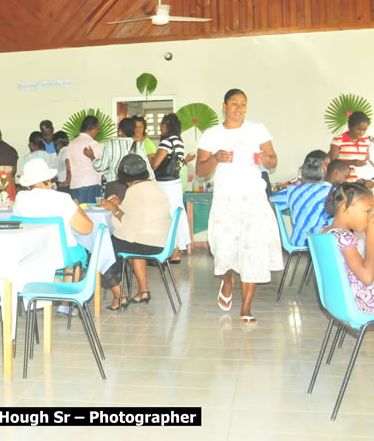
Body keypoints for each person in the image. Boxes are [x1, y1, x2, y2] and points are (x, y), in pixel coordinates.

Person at [196, 89, 283, 325]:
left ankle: (246, 307)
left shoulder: (257, 129)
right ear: (224, 106)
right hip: (225, 198)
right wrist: (216, 158)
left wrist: (267, 160)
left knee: (252, 249)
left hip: (253, 197)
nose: (239, 108)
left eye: (243, 104)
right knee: (224, 248)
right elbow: (200, 170)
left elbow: (273, 159)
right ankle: (227, 280)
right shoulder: (212, 134)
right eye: (234, 103)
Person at [320, 182, 374, 387]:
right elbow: (367, 277)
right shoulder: (344, 237)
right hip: (365, 302)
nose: (370, 216)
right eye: (367, 210)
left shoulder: (326, 232)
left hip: (346, 300)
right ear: (345, 208)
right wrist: (371, 240)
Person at [13, 158, 94, 314]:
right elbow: (86, 228)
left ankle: (53, 283)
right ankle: (66, 301)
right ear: (48, 180)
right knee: (77, 252)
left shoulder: (21, 198)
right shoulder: (62, 198)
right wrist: (77, 206)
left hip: (33, 253)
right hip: (61, 253)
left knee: (58, 255)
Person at [98, 155, 170, 310]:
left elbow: (130, 226)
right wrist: (121, 205)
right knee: (128, 242)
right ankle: (143, 291)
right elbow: (142, 213)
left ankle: (119, 296)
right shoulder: (154, 186)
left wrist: (114, 209)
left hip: (147, 243)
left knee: (103, 248)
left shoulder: (135, 190)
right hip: (161, 241)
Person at [150, 113, 194, 263]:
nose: (160, 128)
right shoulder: (179, 142)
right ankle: (176, 251)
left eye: (162, 125)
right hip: (175, 183)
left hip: (164, 184)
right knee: (177, 216)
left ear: (167, 126)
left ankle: (168, 251)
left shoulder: (167, 142)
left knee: (165, 216)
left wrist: (149, 163)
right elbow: (178, 164)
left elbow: (155, 164)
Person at [271, 151, 333, 246]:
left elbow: (271, 201)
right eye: (327, 165)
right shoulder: (331, 191)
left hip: (298, 241)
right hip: (322, 244)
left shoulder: (292, 189)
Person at [328, 111, 374, 183]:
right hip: (344, 182)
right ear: (350, 127)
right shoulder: (339, 140)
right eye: (359, 129)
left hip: (361, 182)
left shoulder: (366, 141)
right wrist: (351, 162)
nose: (362, 133)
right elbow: (333, 163)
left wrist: (369, 164)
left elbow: (366, 159)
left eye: (364, 130)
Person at [85, 117, 135, 184]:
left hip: (115, 183)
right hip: (134, 185)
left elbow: (101, 166)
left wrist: (92, 157)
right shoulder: (138, 145)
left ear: (120, 130)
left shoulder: (111, 144)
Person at [67, 115, 103, 204]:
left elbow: (68, 165)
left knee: (78, 214)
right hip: (90, 184)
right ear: (93, 129)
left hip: (75, 185)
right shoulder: (93, 144)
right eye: (98, 129)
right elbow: (101, 165)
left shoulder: (72, 144)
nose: (98, 132)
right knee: (91, 214)